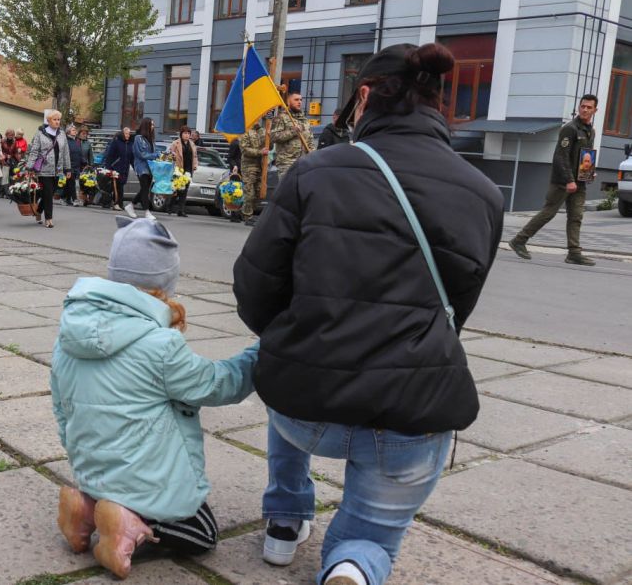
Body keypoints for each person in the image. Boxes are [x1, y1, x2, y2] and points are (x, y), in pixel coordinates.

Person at [233, 43, 504, 585]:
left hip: (304, 412)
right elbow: (457, 308)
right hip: (411, 415)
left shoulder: (313, 172)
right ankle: (353, 569)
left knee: (278, 358)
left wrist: (302, 338)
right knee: (367, 539)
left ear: (363, 98)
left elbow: (255, 290)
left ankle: (284, 523)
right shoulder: (484, 193)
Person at [51, 216, 258, 580]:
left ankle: (87, 506)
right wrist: (256, 358)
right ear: (166, 281)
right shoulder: (159, 345)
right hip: (144, 481)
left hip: (90, 467)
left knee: (112, 481)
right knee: (203, 532)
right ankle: (131, 523)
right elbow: (215, 385)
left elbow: (60, 407)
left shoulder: (69, 334)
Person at [508, 94, 599, 266]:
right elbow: (560, 157)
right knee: (548, 212)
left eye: (589, 107)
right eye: (583, 106)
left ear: (595, 110)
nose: (585, 109)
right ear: (579, 107)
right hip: (563, 182)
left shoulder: (590, 131)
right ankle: (519, 240)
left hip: (579, 182)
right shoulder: (570, 129)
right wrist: (569, 180)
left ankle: (574, 253)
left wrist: (589, 172)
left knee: (576, 217)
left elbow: (584, 156)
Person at [26, 109, 71, 228]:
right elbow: (34, 151)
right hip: (44, 169)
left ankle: (39, 211)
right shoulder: (40, 133)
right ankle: (49, 219)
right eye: (55, 120)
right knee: (47, 193)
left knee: (49, 194)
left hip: (58, 169)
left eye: (58, 120)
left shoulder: (62, 134)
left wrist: (68, 169)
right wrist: (30, 167)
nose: (57, 122)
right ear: (49, 121)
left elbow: (66, 152)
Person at [271, 92, 315, 177]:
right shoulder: (281, 117)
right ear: (288, 102)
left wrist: (313, 156)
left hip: (303, 162)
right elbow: (273, 137)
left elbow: (310, 141)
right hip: (287, 163)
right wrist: (292, 132)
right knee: (288, 189)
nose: (299, 102)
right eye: (296, 100)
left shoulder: (304, 120)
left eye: (301, 100)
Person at [239, 121, 268, 227]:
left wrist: (267, 133)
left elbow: (269, 143)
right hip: (249, 167)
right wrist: (260, 152)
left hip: (261, 166)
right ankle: (247, 216)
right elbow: (245, 149)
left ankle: (248, 212)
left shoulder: (261, 130)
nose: (258, 119)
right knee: (249, 193)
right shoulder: (245, 131)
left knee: (258, 192)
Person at [130, 117, 159, 213]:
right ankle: (147, 212)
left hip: (150, 168)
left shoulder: (151, 139)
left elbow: (156, 152)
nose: (153, 126)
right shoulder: (138, 138)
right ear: (146, 125)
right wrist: (155, 155)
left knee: (144, 189)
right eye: (151, 124)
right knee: (145, 189)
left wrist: (163, 154)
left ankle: (131, 205)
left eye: (153, 124)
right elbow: (141, 154)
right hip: (141, 167)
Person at [168, 125, 198, 217]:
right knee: (177, 190)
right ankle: (169, 206)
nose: (187, 135)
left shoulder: (192, 144)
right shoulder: (175, 143)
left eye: (188, 133)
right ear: (181, 134)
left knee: (184, 191)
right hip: (179, 169)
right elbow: (169, 154)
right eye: (185, 133)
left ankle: (181, 210)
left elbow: (195, 156)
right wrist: (172, 155)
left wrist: (195, 165)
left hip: (188, 170)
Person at [103, 127, 134, 210]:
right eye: (126, 133)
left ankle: (118, 203)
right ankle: (116, 203)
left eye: (129, 133)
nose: (128, 135)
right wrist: (108, 167)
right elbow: (110, 155)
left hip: (125, 168)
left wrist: (135, 167)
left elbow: (131, 158)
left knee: (121, 186)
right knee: (117, 186)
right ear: (122, 133)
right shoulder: (116, 142)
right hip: (115, 167)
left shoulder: (130, 144)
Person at [62, 125, 87, 207]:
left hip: (77, 166)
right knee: (72, 183)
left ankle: (65, 198)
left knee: (69, 183)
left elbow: (79, 153)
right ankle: (75, 199)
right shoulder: (66, 141)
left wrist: (84, 162)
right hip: (69, 166)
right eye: (73, 130)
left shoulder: (76, 141)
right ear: (68, 132)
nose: (75, 131)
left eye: (75, 130)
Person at [0, 129, 19, 198]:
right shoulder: (2, 141)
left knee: (11, 178)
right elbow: (0, 150)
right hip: (4, 160)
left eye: (12, 135)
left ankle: (5, 192)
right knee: (5, 177)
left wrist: (18, 159)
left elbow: (15, 151)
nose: (11, 136)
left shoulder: (15, 142)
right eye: (9, 134)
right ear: (6, 134)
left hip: (12, 161)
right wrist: (5, 155)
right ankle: (5, 193)